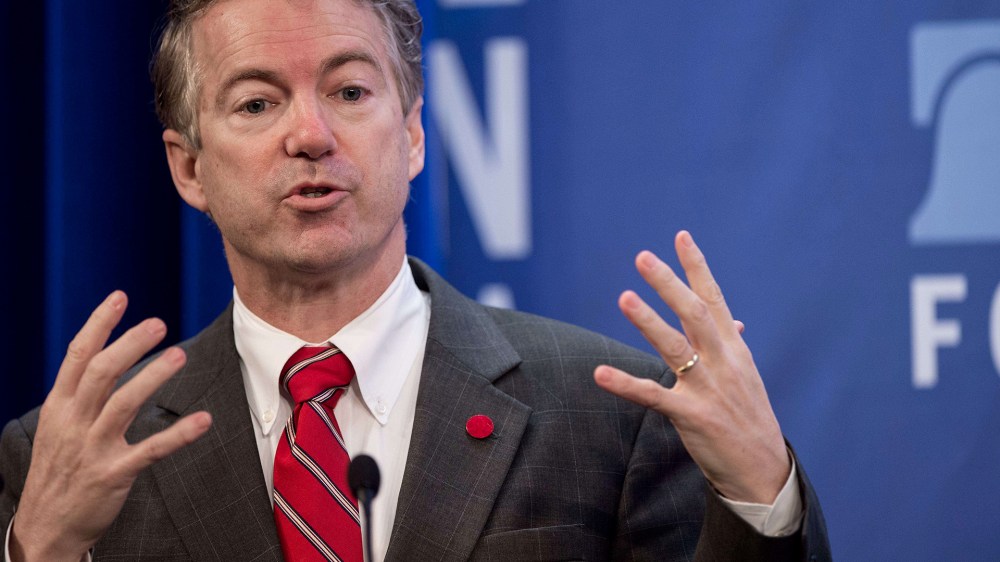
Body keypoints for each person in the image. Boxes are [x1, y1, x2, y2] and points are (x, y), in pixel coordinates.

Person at [0, 0, 831, 560]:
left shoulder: (611, 415)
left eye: (350, 90)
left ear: (413, 135)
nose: (312, 135)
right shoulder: (76, 458)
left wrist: (762, 493)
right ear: (189, 168)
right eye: (257, 104)